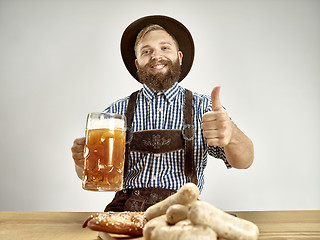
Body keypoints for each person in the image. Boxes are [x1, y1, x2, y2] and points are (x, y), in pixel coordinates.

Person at [71, 15, 254, 212]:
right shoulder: (115, 114)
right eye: (146, 51)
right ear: (137, 63)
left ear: (179, 57)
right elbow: (96, 175)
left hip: (182, 210)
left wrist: (232, 135)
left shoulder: (204, 108)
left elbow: (244, 161)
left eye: (165, 48)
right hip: (125, 209)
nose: (156, 56)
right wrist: (82, 164)